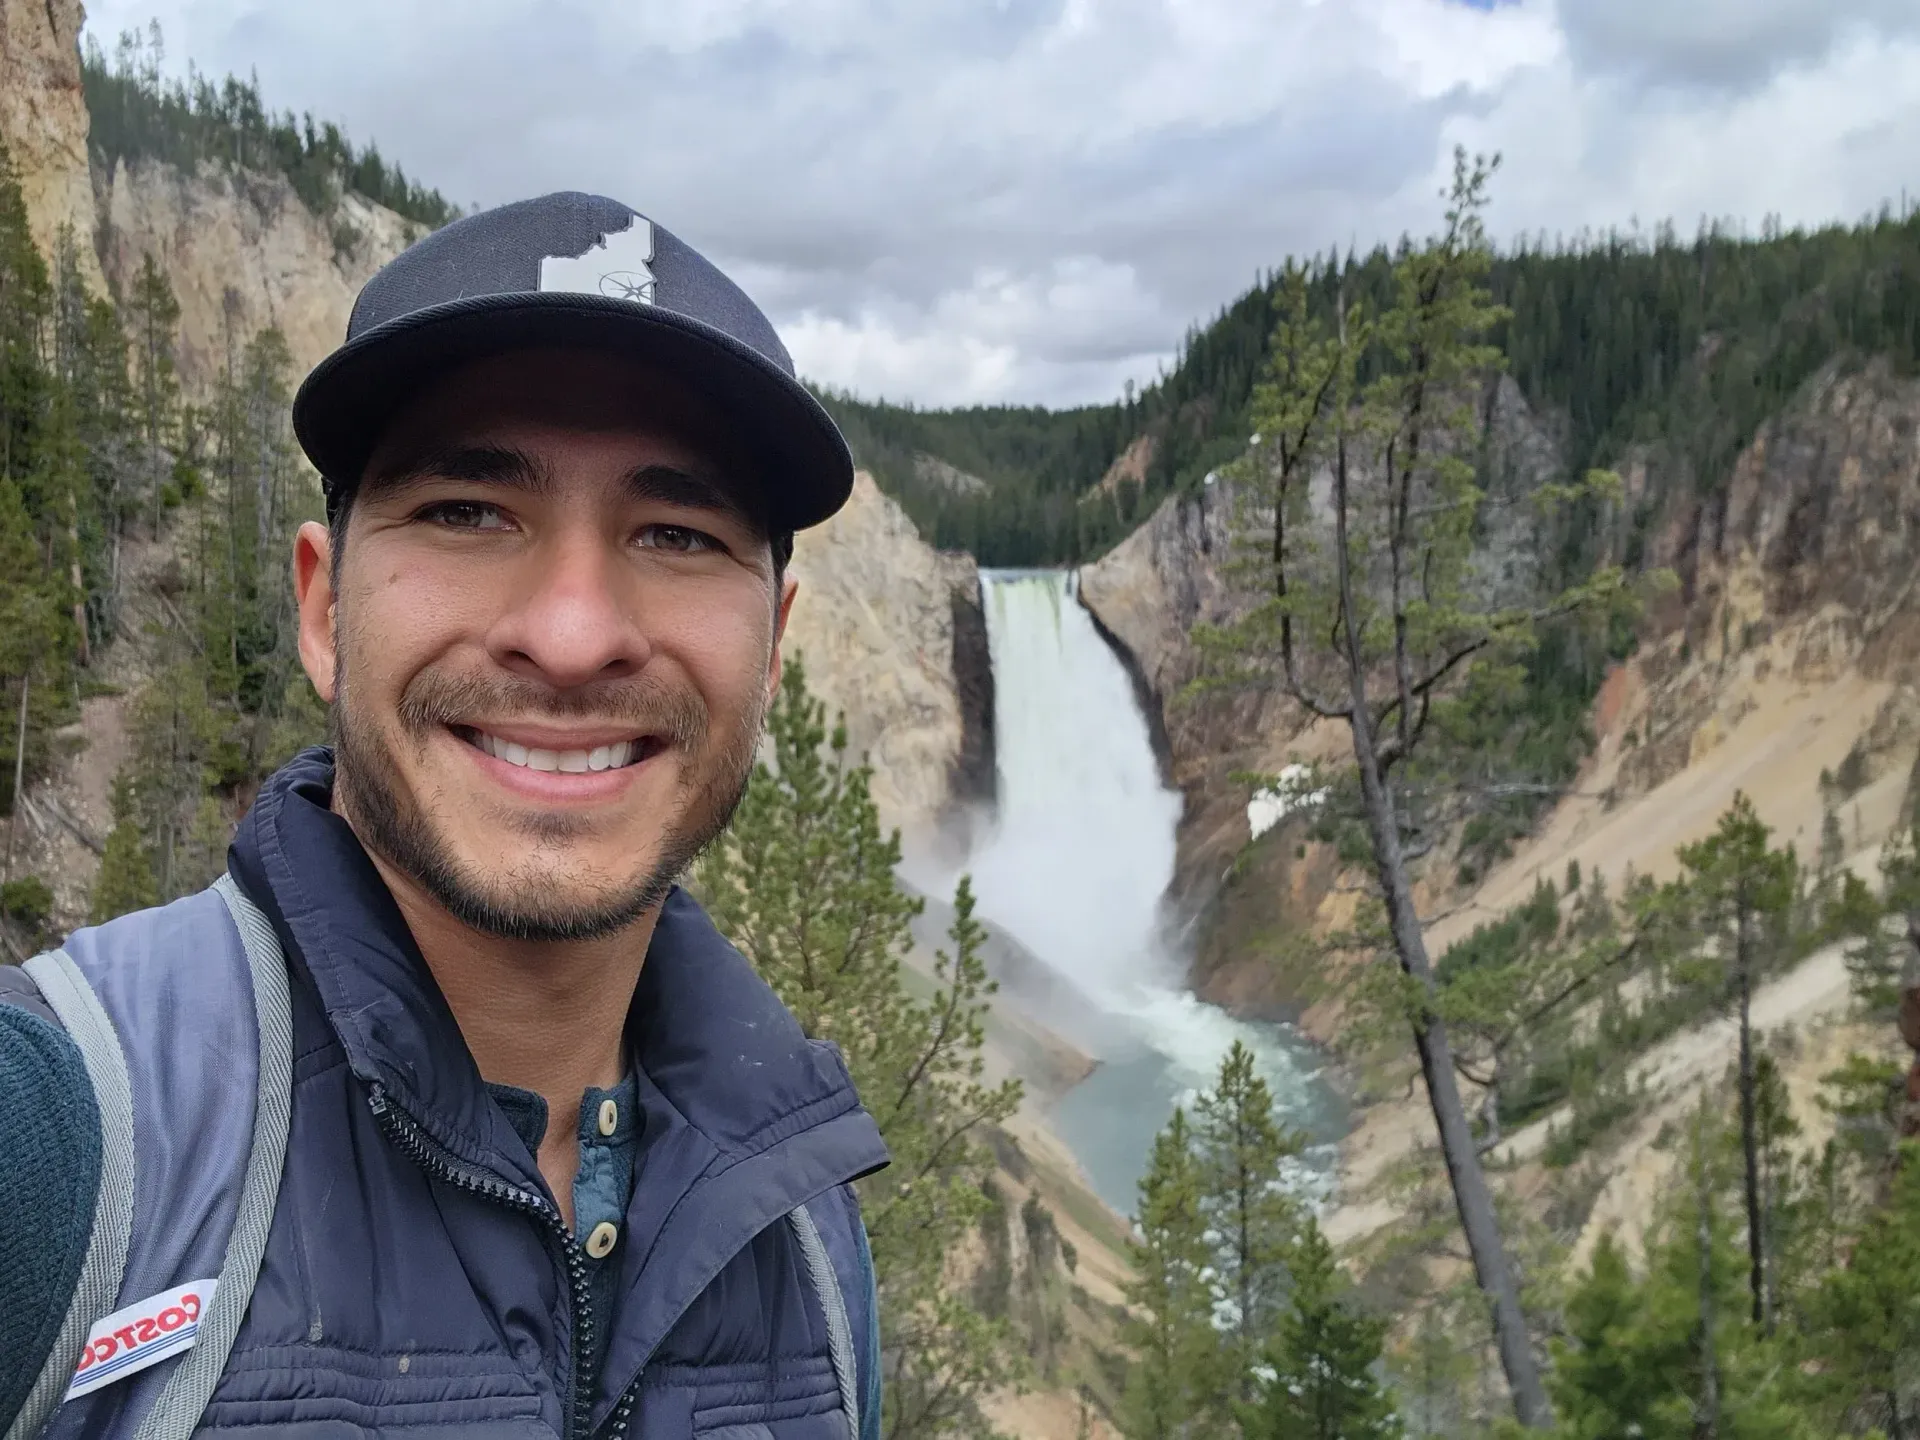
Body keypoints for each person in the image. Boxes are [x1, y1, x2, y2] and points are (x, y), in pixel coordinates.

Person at [0, 192, 888, 1440]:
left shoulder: (806, 1231)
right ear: (322, 609)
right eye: (468, 513)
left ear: (776, 647)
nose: (574, 636)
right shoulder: (68, 1130)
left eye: (678, 533)